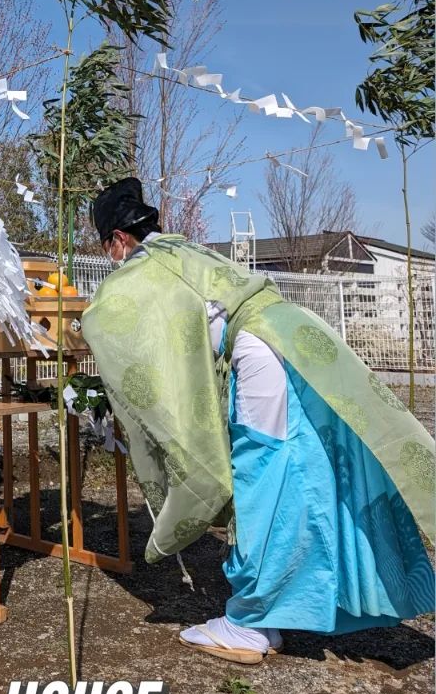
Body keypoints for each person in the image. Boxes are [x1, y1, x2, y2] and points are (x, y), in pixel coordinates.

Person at [81, 177, 435, 665]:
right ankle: (299, 600)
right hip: (295, 334)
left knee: (261, 477)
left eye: (107, 249)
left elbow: (105, 322)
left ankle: (249, 621)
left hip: (260, 351)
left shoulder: (145, 267)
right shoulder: (187, 250)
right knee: (314, 469)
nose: (111, 259)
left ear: (118, 239)